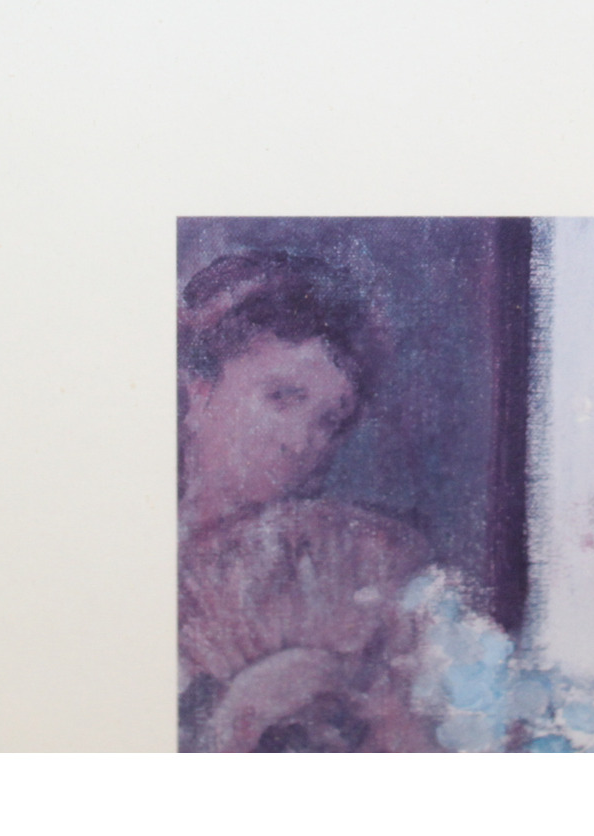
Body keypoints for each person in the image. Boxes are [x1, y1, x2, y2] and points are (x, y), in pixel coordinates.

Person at [178, 250, 437, 752]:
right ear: (200, 391)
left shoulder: (370, 560)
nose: (303, 442)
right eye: (282, 397)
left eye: (328, 420)